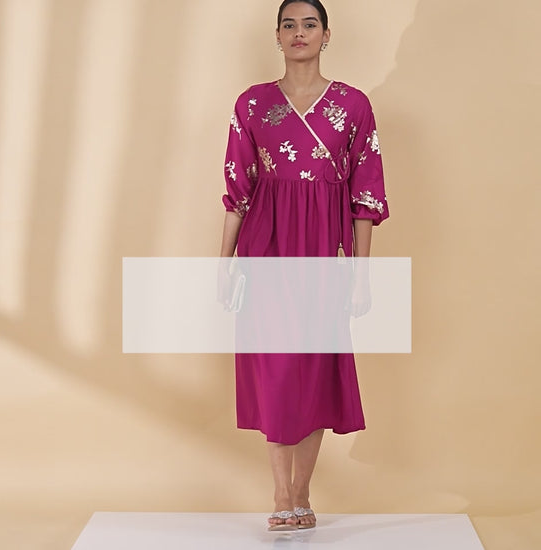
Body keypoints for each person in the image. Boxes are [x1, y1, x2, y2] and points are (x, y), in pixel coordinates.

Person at [218, 0, 389, 531]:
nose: (299, 33)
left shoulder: (353, 105)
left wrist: (360, 274)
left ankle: (302, 492)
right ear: (277, 35)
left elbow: (366, 195)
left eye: (309, 24)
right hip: (265, 247)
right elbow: (238, 189)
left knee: (313, 369)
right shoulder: (252, 104)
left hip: (322, 251)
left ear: (326, 35)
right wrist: (224, 264)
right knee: (275, 368)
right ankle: (279, 493)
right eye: (289, 25)